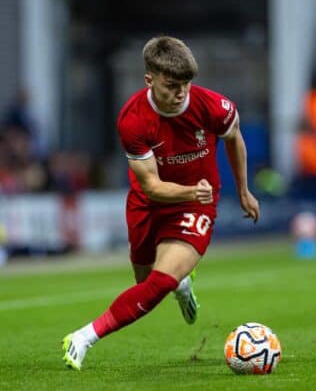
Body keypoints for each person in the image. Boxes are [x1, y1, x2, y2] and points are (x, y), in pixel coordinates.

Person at [62, 36, 260, 370]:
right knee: (145, 283)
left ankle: (82, 337)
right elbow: (152, 186)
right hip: (149, 202)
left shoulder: (213, 106)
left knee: (158, 284)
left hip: (197, 205)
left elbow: (234, 137)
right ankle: (182, 284)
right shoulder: (133, 120)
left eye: (186, 84)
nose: (181, 93)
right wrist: (190, 191)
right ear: (149, 80)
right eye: (171, 85)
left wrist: (243, 190)